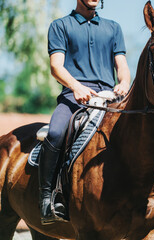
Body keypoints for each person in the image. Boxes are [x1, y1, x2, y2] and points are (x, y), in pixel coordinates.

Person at [39, 0, 130, 225]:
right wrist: (76, 87)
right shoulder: (61, 25)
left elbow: (122, 65)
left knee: (139, 132)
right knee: (56, 133)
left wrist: (125, 82)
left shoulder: (113, 27)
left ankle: (146, 197)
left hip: (109, 97)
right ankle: (46, 197)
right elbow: (56, 67)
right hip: (74, 96)